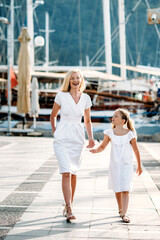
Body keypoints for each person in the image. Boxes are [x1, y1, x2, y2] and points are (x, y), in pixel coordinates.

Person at [50, 69, 95, 221]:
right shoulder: (61, 96)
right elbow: (53, 115)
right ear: (68, 81)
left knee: (74, 172)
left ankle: (69, 204)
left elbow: (87, 121)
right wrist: (55, 130)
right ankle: (69, 208)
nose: (76, 80)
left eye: (78, 78)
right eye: (73, 78)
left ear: (81, 80)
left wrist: (91, 138)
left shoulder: (86, 98)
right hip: (62, 139)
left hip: (78, 139)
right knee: (66, 171)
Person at [90, 108, 143, 223]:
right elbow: (103, 146)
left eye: (116, 116)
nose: (113, 118)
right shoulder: (109, 133)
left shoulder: (130, 134)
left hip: (127, 164)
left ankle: (125, 213)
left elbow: (136, 150)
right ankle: (120, 210)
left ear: (123, 120)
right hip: (115, 164)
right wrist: (95, 150)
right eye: (113, 116)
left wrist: (139, 165)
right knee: (117, 188)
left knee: (126, 188)